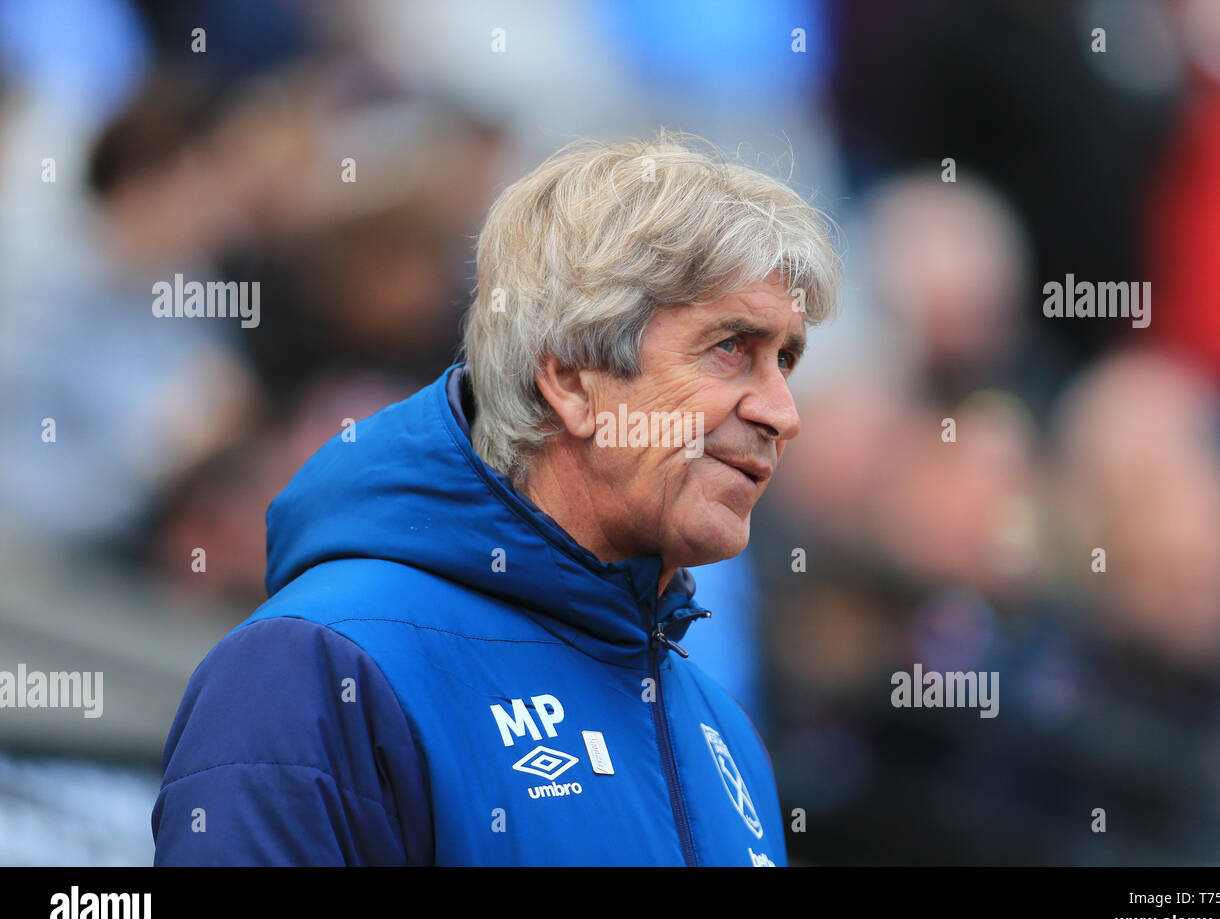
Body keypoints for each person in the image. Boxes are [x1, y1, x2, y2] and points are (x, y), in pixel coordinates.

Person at [151, 130, 841, 865]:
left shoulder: (722, 729)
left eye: (786, 361)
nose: (782, 413)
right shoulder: (316, 668)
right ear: (573, 380)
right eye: (731, 347)